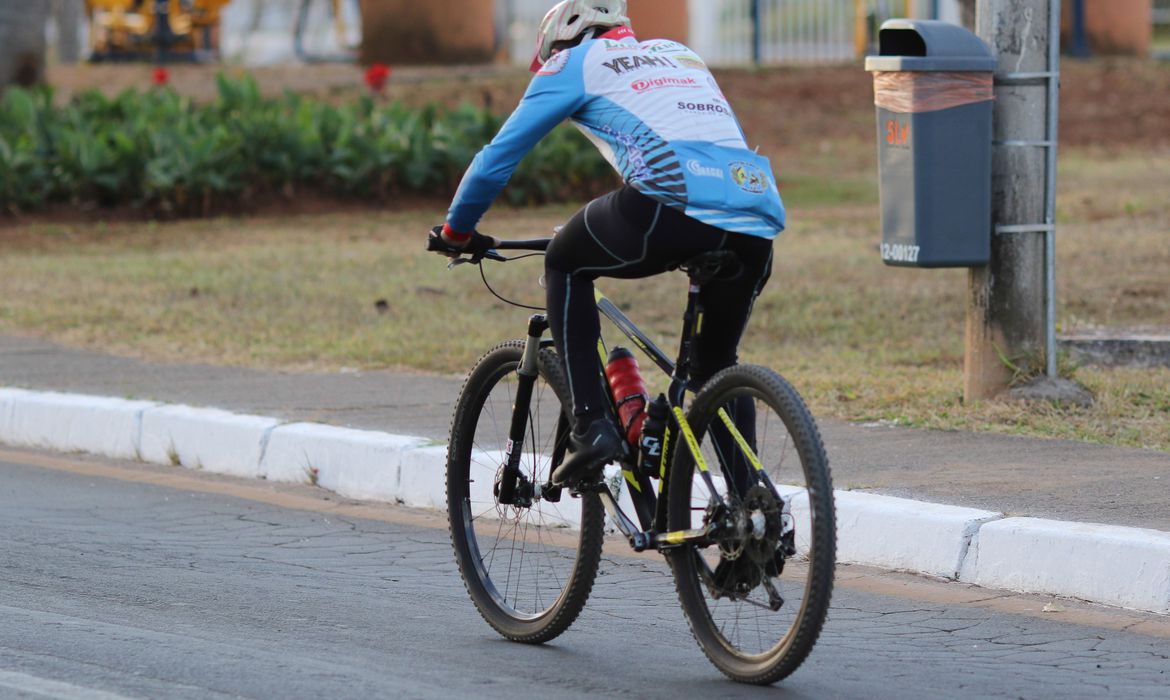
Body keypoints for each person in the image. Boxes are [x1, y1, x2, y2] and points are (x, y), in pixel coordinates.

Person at [434, 0, 785, 487]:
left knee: (564, 262)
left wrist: (456, 230)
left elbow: (498, 158)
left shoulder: (573, 62)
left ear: (562, 38)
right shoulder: (680, 55)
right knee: (715, 365)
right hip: (755, 209)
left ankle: (591, 426)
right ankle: (749, 514)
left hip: (670, 201)